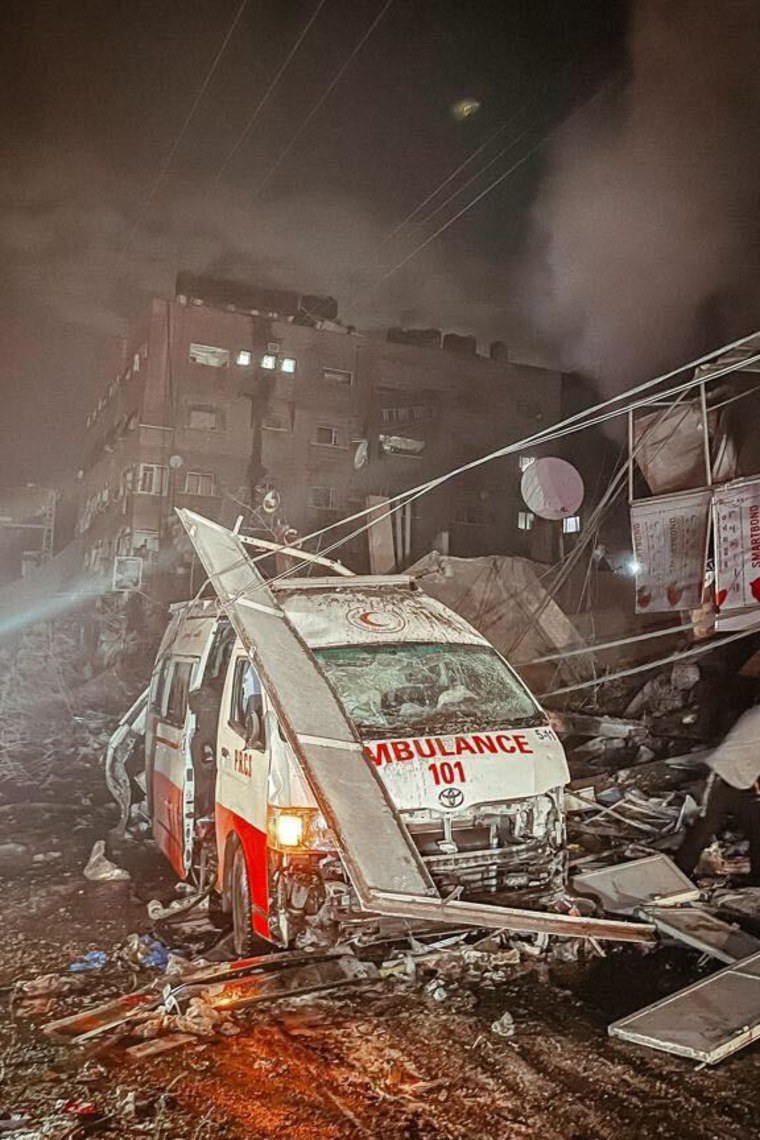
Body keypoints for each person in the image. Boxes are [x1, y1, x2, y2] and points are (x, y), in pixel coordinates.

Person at [675, 702, 760, 884]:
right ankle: (678, 879)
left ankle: (756, 883)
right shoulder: (757, 715)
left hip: (744, 781)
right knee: (703, 830)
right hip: (721, 778)